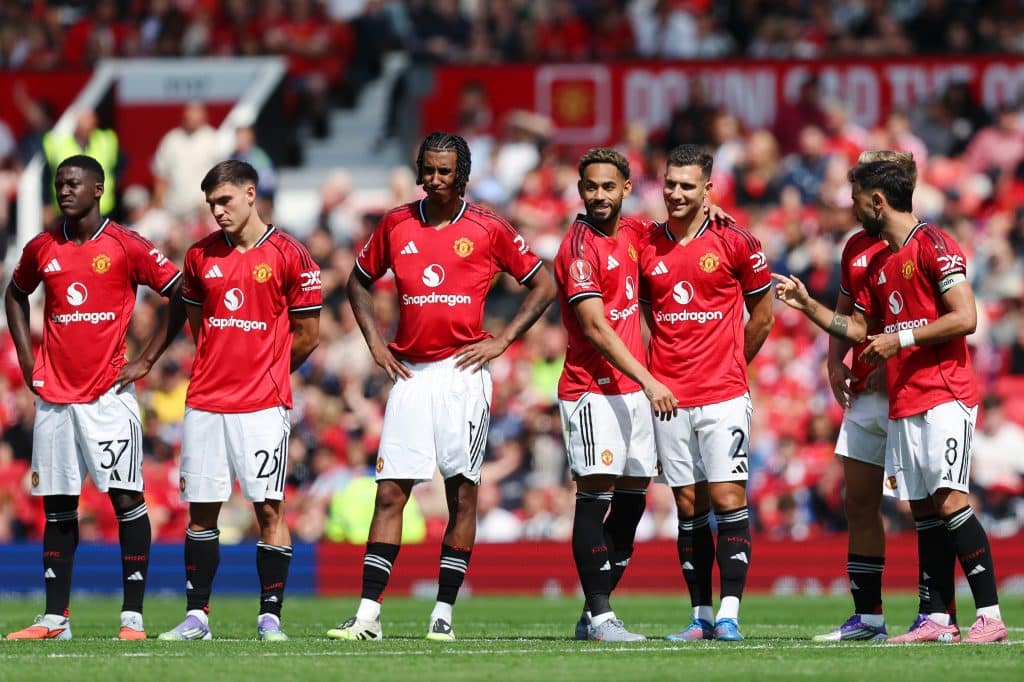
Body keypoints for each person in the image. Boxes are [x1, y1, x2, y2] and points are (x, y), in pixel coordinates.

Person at [327, 131, 555, 642]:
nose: (434, 179)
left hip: (463, 375)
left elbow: (544, 282)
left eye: (444, 171)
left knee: (462, 495)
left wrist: (503, 342)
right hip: (408, 373)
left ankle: (443, 614)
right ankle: (367, 616)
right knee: (391, 494)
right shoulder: (395, 223)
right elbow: (357, 281)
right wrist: (375, 344)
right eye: (427, 169)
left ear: (463, 175)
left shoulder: (489, 226)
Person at [773, 155, 1008, 644]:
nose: (854, 209)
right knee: (922, 510)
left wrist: (899, 342)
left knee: (950, 502)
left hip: (944, 393)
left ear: (877, 200)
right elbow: (858, 327)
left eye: (858, 200)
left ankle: (989, 615)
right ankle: (936, 619)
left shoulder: (934, 244)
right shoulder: (878, 259)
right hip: (904, 398)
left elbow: (966, 317)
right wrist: (808, 306)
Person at [4, 154, 181, 640]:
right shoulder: (43, 247)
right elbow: (15, 294)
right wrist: (26, 359)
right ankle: (55, 619)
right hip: (55, 398)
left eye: (74, 183)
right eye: (60, 183)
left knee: (127, 500)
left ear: (98, 188)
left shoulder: (126, 245)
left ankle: (132, 618)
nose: (64, 190)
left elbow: (181, 291)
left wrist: (146, 359)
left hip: (108, 397)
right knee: (58, 506)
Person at [158, 160, 321, 642]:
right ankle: (197, 618)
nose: (218, 211)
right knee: (201, 510)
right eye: (211, 204)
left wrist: (263, 372)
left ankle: (270, 617)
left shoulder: (292, 254)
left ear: (251, 194)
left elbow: (307, 337)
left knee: (269, 509)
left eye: (225, 200)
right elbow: (196, 325)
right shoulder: (198, 256)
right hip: (205, 400)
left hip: (263, 404)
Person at [813, 150, 957, 643]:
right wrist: (835, 361)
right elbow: (846, 310)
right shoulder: (856, 246)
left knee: (923, 503)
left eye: (858, 196)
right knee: (860, 502)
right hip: (865, 387)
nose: (853, 207)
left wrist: (891, 362)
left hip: (905, 387)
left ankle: (937, 612)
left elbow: (925, 320)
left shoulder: (917, 244)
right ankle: (868, 618)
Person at [638, 144, 774, 642]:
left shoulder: (737, 240)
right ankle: (699, 614)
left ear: (708, 190)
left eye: (687, 186)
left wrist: (735, 362)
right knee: (688, 503)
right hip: (668, 397)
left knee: (726, 495)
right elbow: (647, 310)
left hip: (722, 393)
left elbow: (763, 313)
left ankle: (731, 613)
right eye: (670, 183)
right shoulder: (645, 243)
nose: (676, 193)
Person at [554, 147, 678, 643]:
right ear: (580, 189)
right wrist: (651, 380)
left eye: (608, 186)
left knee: (632, 503)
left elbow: (675, 232)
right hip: (591, 391)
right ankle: (603, 616)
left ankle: (593, 614)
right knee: (594, 497)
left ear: (626, 188)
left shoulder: (634, 232)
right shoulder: (578, 249)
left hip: (631, 392)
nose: (599, 195)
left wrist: (713, 217)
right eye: (590, 187)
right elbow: (597, 329)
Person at [42, 109, 119, 217]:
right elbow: (47, 175)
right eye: (85, 122)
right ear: (76, 123)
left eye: (91, 122)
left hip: (101, 208)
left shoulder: (106, 140)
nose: (89, 126)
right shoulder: (57, 144)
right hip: (67, 208)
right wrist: (46, 203)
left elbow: (118, 165)